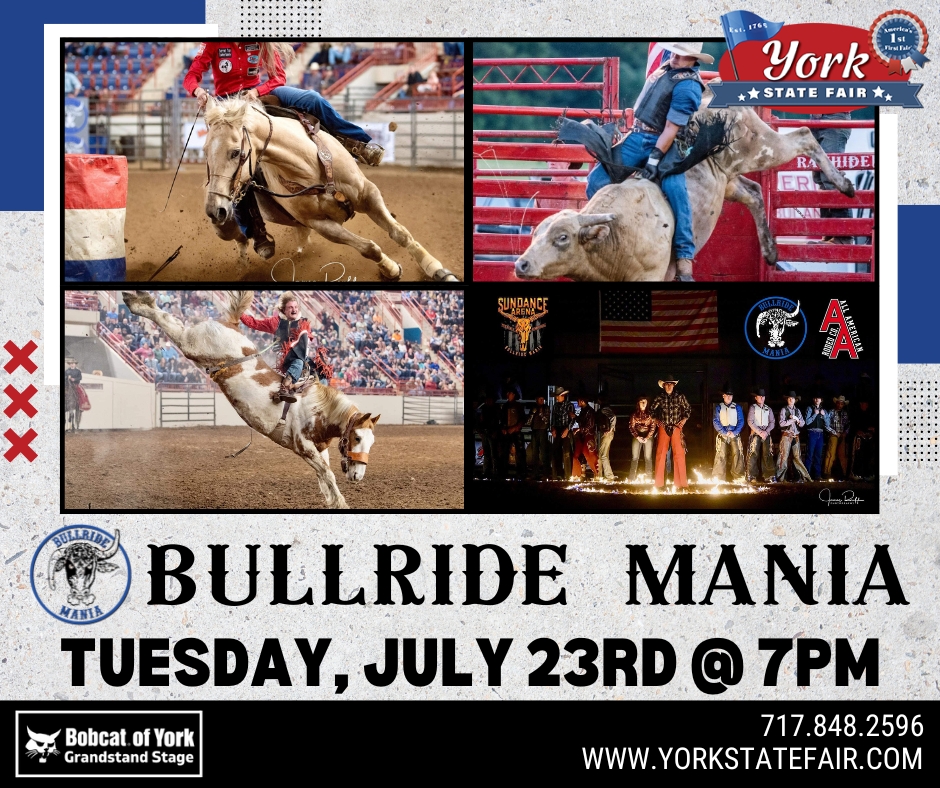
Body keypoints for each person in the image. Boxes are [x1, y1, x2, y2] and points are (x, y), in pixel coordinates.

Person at [184, 42, 385, 258]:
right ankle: (256, 232)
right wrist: (198, 92)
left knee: (313, 100)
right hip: (228, 108)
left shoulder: (261, 41)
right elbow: (191, 76)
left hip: (260, 96)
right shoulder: (213, 43)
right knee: (236, 166)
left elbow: (278, 78)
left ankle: (359, 144)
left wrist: (256, 91)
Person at [585, 42, 714, 282]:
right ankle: (608, 233)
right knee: (596, 180)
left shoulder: (688, 85)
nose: (674, 55)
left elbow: (671, 128)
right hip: (637, 135)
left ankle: (684, 257)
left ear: (693, 58)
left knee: (676, 190)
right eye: (675, 51)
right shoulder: (668, 67)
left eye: (681, 54)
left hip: (665, 142)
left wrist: (655, 159)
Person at [239, 292, 331, 409]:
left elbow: (306, 342)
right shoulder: (275, 322)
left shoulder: (304, 323)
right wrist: (239, 314)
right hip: (285, 359)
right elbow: (254, 323)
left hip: (301, 357)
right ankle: (285, 388)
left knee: (321, 372)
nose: (294, 310)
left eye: (296, 307)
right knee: (299, 362)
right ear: (283, 310)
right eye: (290, 307)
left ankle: (321, 405)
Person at [810, 112, 854, 244]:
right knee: (820, 178)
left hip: (834, 115)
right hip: (818, 116)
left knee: (830, 178)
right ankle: (831, 233)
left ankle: (843, 236)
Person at [650, 375, 691, 489]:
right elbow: (652, 409)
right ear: (664, 386)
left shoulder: (679, 396)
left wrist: (684, 420)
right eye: (666, 384)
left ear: (673, 385)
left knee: (679, 454)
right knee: (660, 454)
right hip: (664, 427)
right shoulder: (660, 397)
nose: (668, 386)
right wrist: (656, 420)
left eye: (670, 384)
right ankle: (658, 484)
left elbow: (688, 408)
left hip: (676, 427)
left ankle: (681, 483)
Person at [712, 383, 745, 483]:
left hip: (734, 433)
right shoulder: (719, 407)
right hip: (723, 433)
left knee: (737, 453)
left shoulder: (737, 407)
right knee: (720, 454)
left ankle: (738, 476)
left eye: (731, 395)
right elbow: (715, 421)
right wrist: (724, 432)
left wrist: (734, 432)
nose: (729, 397)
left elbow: (741, 420)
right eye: (727, 395)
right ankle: (718, 477)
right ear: (723, 396)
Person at [777, 391, 812, 483]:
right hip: (786, 435)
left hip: (795, 436)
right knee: (783, 456)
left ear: (795, 400)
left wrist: (798, 420)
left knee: (797, 457)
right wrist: (792, 420)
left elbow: (803, 423)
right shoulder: (784, 410)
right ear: (787, 399)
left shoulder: (797, 411)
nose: (790, 399)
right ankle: (780, 478)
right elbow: (781, 423)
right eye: (789, 398)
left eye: (792, 398)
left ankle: (804, 477)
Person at [746, 388, 776, 483]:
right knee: (753, 453)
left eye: (763, 396)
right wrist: (760, 432)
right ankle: (751, 475)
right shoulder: (753, 407)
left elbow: (772, 422)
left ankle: (769, 475)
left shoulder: (768, 408)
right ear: (756, 398)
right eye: (760, 396)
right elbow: (750, 421)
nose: (762, 398)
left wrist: (766, 432)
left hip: (766, 434)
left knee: (767, 454)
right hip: (756, 433)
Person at [499, 390, 527, 480]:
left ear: (513, 395)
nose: (508, 395)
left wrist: (515, 428)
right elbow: (502, 419)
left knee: (520, 453)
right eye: (507, 393)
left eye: (509, 393)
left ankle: (521, 472)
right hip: (507, 433)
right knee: (504, 452)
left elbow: (523, 420)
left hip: (516, 432)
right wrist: (503, 428)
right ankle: (504, 472)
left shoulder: (518, 406)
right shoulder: (505, 406)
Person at [628, 395, 655, 482]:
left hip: (648, 436)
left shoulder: (650, 414)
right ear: (638, 403)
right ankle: (631, 478)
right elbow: (631, 426)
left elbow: (653, 426)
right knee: (635, 457)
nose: (643, 404)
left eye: (645, 402)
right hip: (637, 436)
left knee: (648, 457)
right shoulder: (634, 415)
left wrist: (647, 437)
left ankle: (649, 478)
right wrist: (637, 436)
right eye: (641, 402)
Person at [571, 395, 599, 480]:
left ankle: (596, 473)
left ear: (582, 401)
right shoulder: (583, 410)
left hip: (588, 435)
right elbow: (581, 421)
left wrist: (580, 429)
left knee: (590, 454)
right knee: (578, 454)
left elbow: (590, 425)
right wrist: (576, 417)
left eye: (579, 401)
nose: (578, 403)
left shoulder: (590, 411)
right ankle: (580, 473)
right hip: (582, 435)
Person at [824, 395, 851, 480]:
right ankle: (826, 472)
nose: (840, 405)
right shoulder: (831, 412)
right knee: (831, 454)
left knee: (842, 455)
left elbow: (848, 425)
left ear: (843, 405)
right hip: (833, 435)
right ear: (836, 403)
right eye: (839, 403)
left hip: (841, 435)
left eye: (842, 404)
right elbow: (826, 425)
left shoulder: (845, 413)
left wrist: (845, 433)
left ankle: (844, 474)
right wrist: (835, 432)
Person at [550, 386, 574, 480]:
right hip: (558, 429)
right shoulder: (555, 406)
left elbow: (572, 420)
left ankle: (568, 474)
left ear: (563, 396)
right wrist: (553, 428)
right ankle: (559, 473)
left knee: (567, 452)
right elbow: (553, 419)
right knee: (556, 451)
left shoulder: (569, 405)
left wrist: (567, 429)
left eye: (558, 396)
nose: (556, 398)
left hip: (566, 430)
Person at [850, 397, 876, 480]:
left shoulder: (871, 415)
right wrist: (858, 432)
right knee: (858, 455)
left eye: (864, 403)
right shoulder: (856, 414)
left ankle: (869, 474)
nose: (862, 405)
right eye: (861, 403)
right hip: (859, 438)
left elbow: (873, 427)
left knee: (870, 455)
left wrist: (871, 431)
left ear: (867, 405)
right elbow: (853, 427)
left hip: (869, 438)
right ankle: (857, 474)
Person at [527, 394, 551, 480]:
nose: (541, 400)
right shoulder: (533, 408)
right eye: (540, 399)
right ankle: (535, 473)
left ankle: (546, 473)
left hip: (543, 431)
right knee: (534, 453)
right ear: (536, 399)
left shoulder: (546, 408)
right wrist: (533, 413)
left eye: (542, 399)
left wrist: (541, 413)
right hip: (534, 431)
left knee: (544, 453)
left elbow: (546, 421)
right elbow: (528, 422)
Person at [804, 395, 828, 481]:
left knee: (818, 455)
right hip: (812, 432)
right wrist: (815, 414)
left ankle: (817, 475)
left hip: (820, 434)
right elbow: (807, 422)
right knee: (810, 454)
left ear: (821, 400)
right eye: (815, 398)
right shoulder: (810, 408)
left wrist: (824, 415)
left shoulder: (823, 410)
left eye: (818, 398)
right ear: (813, 399)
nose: (817, 400)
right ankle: (807, 475)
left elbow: (827, 424)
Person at [477, 394, 500, 480]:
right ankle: (487, 471)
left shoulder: (493, 409)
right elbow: (480, 421)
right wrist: (480, 431)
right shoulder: (485, 409)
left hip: (490, 432)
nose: (488, 401)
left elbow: (497, 421)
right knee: (488, 453)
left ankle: (493, 471)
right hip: (486, 433)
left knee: (492, 453)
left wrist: (495, 431)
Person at [596, 395, 618, 481]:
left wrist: (610, 429)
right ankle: (603, 475)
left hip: (607, 433)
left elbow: (613, 417)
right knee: (605, 454)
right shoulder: (606, 408)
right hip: (609, 433)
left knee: (602, 454)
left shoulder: (604, 409)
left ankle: (608, 475)